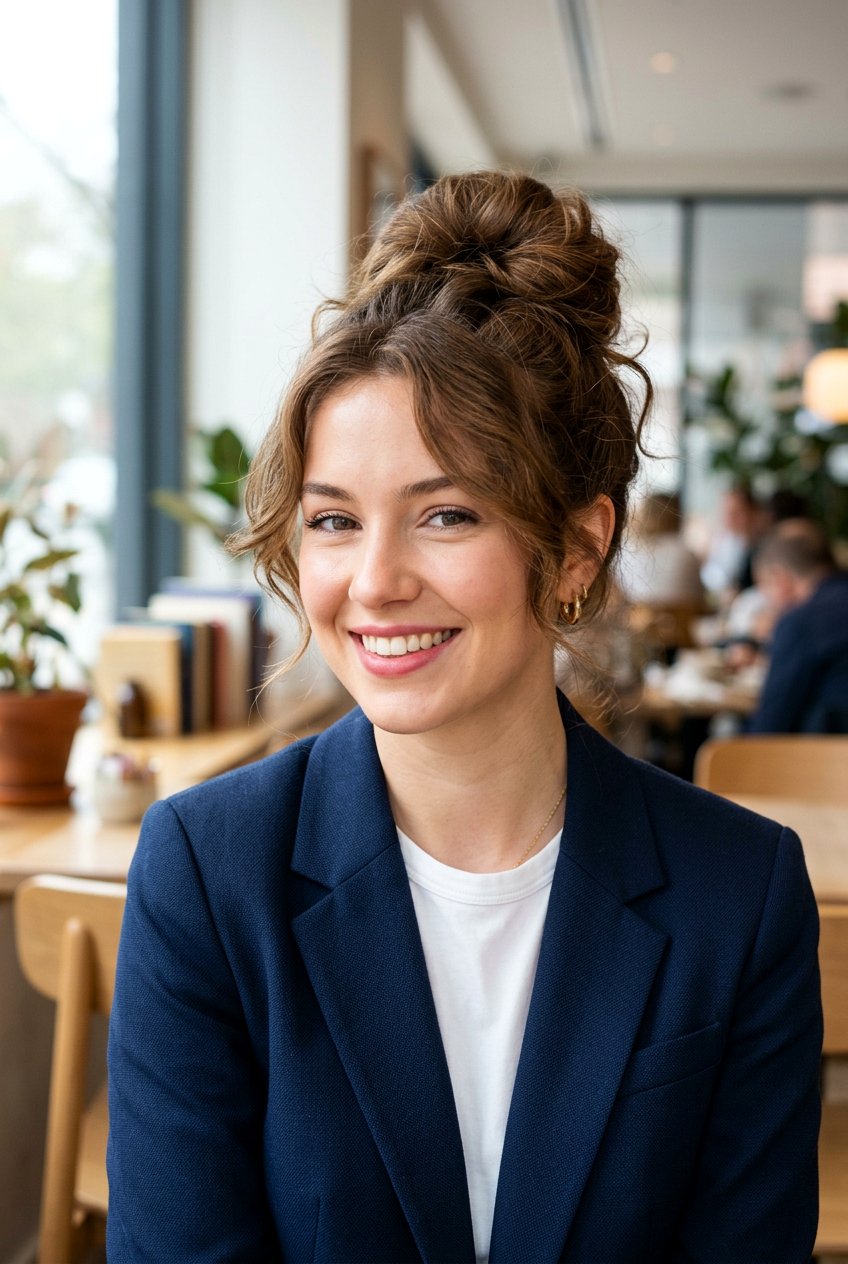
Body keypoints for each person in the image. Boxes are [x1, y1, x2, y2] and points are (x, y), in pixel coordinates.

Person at [107, 172, 821, 1263]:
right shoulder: (209, 873)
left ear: (576, 547)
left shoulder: (742, 892)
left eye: (444, 513)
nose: (375, 580)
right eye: (334, 521)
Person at [749, 517, 848, 733]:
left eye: (765, 588)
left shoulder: (801, 622)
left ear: (780, 578)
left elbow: (769, 729)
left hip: (830, 762)